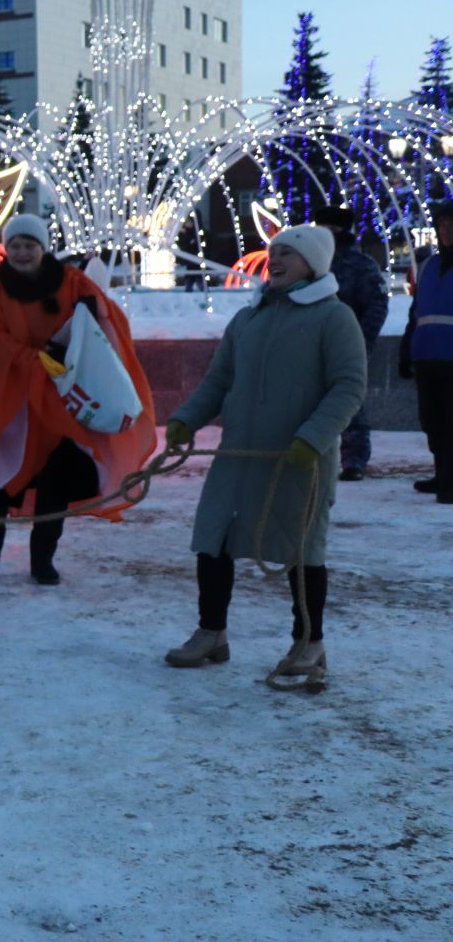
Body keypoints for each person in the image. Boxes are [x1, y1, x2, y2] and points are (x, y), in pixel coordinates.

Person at [0, 214, 157, 586]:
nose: (21, 252)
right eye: (15, 245)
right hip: (7, 406)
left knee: (54, 485)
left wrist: (91, 311)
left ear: (42, 248)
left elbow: (104, 323)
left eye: (29, 245)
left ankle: (43, 561)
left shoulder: (72, 283)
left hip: (56, 406)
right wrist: (31, 359)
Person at [162, 225, 367, 688]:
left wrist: (312, 438)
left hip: (299, 460)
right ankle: (211, 631)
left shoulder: (334, 318)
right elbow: (218, 381)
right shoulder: (248, 319)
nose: (274, 260)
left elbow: (349, 386)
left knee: (301, 549)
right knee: (213, 538)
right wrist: (186, 419)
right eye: (273, 252)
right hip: (239, 455)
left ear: (313, 264)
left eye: (288, 254)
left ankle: (309, 642)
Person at [316, 207, 389, 481]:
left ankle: (354, 460)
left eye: (330, 229)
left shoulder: (361, 264)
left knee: (350, 401)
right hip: (313, 343)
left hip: (348, 344)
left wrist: (362, 340)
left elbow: (377, 304)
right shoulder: (312, 262)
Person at [402, 202, 453, 501]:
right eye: (442, 225)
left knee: (450, 421)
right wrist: (406, 350)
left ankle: (450, 481)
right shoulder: (428, 266)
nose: (445, 231)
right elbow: (416, 312)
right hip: (427, 355)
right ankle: (442, 474)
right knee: (431, 420)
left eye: (451, 225)